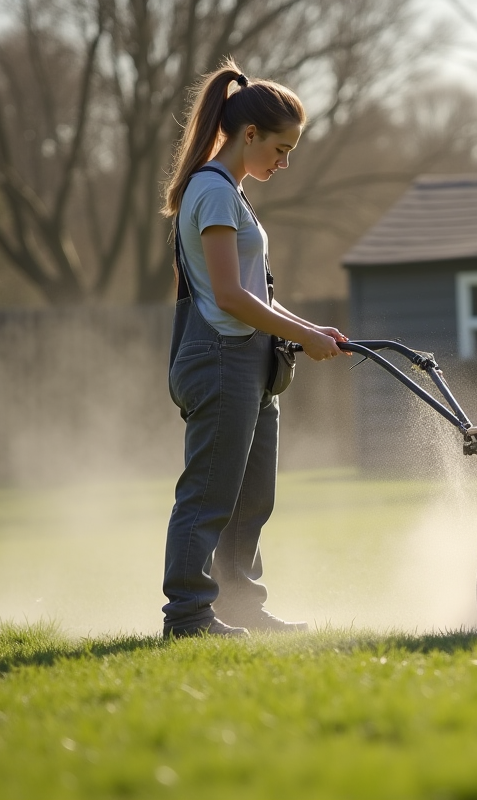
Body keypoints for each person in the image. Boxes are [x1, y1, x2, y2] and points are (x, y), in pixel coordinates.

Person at [159, 58, 348, 638]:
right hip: (219, 358)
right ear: (249, 135)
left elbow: (254, 294)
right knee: (211, 493)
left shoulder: (233, 195)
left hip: (249, 361)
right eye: (281, 148)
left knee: (250, 498)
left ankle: (241, 607)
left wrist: (313, 330)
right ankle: (189, 616)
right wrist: (303, 338)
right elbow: (230, 297)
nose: (285, 161)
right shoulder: (212, 192)